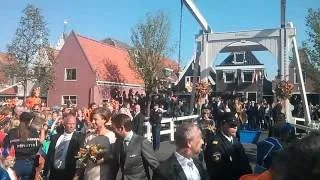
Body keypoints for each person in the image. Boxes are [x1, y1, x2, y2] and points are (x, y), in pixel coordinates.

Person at [204, 112, 252, 180]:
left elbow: (245, 162)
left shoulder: (235, 140)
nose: (235, 128)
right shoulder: (215, 145)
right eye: (231, 125)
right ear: (222, 125)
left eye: (236, 125)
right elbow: (218, 171)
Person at [112, 113, 159, 180]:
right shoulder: (118, 142)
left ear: (121, 128)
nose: (113, 131)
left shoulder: (142, 142)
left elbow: (155, 166)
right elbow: (116, 165)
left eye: (114, 129)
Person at [44, 113, 85, 180]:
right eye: (69, 123)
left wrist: (77, 175)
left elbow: (81, 158)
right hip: (54, 174)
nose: (72, 126)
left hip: (69, 174)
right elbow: (49, 155)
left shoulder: (79, 138)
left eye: (73, 124)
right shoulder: (55, 137)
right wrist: (45, 172)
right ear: (64, 124)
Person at [78, 107, 116, 180]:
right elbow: (82, 157)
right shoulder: (89, 136)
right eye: (92, 119)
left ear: (104, 120)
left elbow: (114, 156)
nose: (92, 121)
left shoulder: (111, 136)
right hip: (89, 175)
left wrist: (101, 160)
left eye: (95, 119)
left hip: (103, 175)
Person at [3, 112, 42, 180]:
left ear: (20, 119)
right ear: (30, 120)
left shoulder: (12, 132)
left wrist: (7, 157)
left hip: (17, 164)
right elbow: (38, 147)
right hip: (31, 164)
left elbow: (5, 148)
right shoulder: (34, 131)